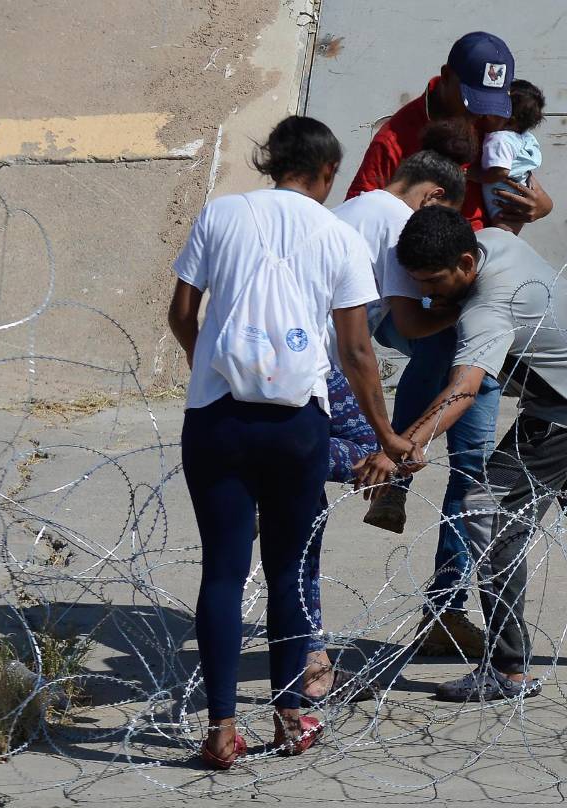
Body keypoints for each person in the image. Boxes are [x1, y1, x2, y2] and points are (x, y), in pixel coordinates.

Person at [354, 207, 567, 703]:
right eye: (418, 283)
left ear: (466, 262)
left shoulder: (487, 310)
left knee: (487, 510)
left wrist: (400, 447)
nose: (427, 294)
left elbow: (464, 389)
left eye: (433, 281)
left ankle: (508, 669)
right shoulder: (493, 239)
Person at [168, 116, 414, 767]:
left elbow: (181, 313)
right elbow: (357, 352)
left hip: (217, 419)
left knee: (223, 572)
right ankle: (290, 718)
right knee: (286, 572)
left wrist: (206, 368)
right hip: (297, 425)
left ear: (271, 161)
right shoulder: (338, 237)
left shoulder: (220, 215)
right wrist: (386, 434)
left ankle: (221, 730)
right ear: (328, 172)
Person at [309, 147, 486, 666]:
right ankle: (274, 462)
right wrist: (468, 311)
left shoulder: (354, 209)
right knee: (372, 451)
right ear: (433, 196)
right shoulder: (396, 223)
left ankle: (276, 464)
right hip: (322, 363)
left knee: (326, 487)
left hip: (298, 359)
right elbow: (407, 323)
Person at [346, 31, 553, 232]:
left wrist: (543, 204)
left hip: (485, 245)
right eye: (473, 100)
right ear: (446, 76)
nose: (480, 112)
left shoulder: (491, 122)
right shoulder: (394, 139)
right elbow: (357, 215)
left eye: (490, 102)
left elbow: (516, 172)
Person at [467, 79, 545, 232]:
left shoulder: (500, 139)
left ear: (510, 121)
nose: (486, 114)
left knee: (501, 234)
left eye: (494, 111)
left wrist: (475, 175)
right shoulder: (521, 136)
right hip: (516, 199)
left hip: (504, 205)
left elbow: (501, 172)